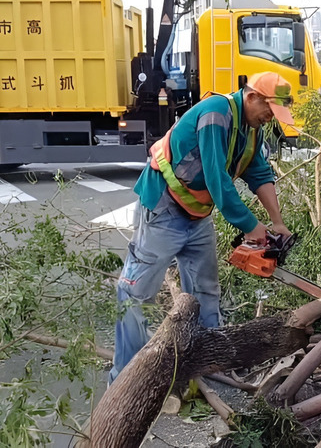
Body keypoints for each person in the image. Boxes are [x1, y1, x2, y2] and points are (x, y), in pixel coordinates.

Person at [109, 72, 295, 383]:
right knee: (135, 293)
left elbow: (260, 173)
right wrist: (250, 226)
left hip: (197, 215)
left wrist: (276, 223)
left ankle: (209, 367)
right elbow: (216, 178)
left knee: (205, 291)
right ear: (252, 97)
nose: (269, 119)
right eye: (269, 111)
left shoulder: (251, 130)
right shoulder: (215, 114)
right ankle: (125, 379)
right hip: (163, 208)